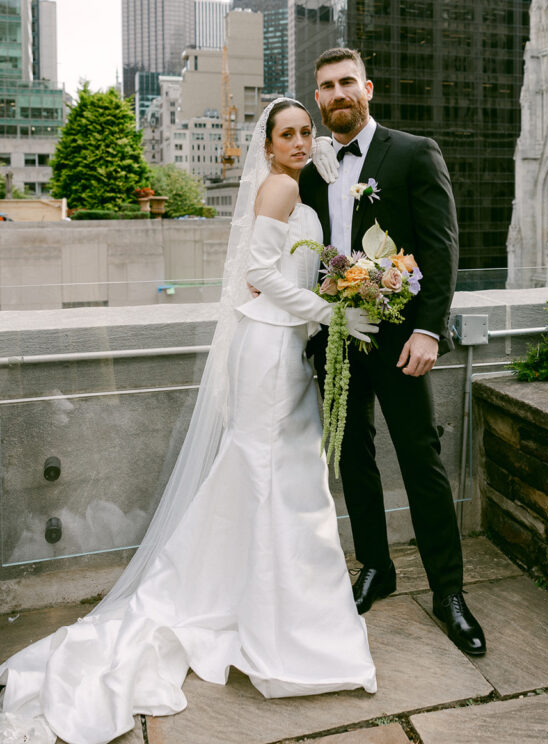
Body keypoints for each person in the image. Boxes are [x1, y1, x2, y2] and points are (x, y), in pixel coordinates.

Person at [0, 98, 377, 744]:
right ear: (268, 145)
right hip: (271, 350)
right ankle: (279, 626)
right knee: (270, 475)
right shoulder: (283, 188)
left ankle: (265, 604)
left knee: (277, 475)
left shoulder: (295, 191)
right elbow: (258, 273)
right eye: (286, 133)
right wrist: (326, 311)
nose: (297, 140)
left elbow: (273, 273)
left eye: (303, 132)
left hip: (281, 349)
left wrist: (345, 292)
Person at [300, 47, 486, 658]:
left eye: (346, 82)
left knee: (421, 461)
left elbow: (441, 247)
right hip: (338, 339)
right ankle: (376, 566)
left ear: (368, 88)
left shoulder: (411, 152)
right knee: (353, 458)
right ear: (319, 98)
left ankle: (450, 593)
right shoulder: (312, 170)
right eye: (325, 87)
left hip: (403, 340)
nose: (336, 94)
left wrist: (429, 330)